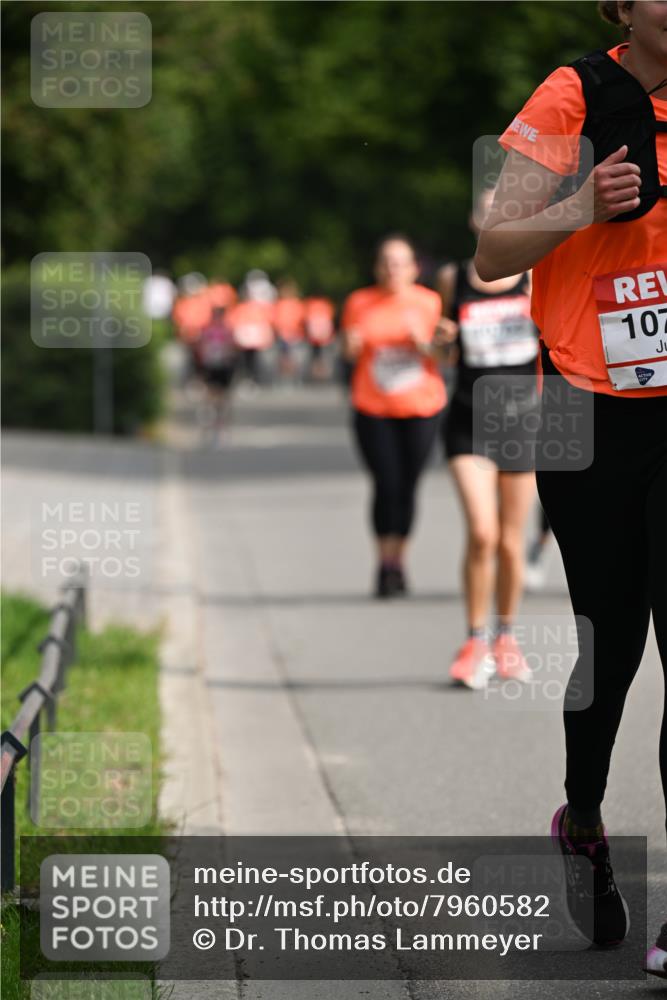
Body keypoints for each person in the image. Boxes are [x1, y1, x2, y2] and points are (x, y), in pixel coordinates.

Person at [475, 0, 666, 963]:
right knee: (610, 650)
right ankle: (584, 818)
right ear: (622, 8)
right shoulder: (571, 94)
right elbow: (490, 253)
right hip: (584, 413)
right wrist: (581, 206)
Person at [437, 190, 540, 690]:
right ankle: (474, 639)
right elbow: (446, 348)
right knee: (481, 532)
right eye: (488, 209)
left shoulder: (537, 274)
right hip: (468, 419)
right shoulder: (453, 277)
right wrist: (439, 342)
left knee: (509, 541)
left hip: (523, 418)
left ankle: (506, 638)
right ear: (474, 220)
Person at [341, 235, 445, 598]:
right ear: (376, 267)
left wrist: (425, 345)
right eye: (386, 261)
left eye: (400, 262)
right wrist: (350, 347)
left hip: (421, 407)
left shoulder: (430, 302)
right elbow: (349, 351)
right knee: (385, 484)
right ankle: (384, 564)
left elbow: (446, 355)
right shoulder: (360, 302)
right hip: (373, 407)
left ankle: (399, 558)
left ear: (415, 268)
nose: (393, 269)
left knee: (408, 486)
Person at [195, 305, 238, 443]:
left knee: (223, 396)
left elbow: (232, 348)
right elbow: (201, 348)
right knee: (211, 394)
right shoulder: (207, 330)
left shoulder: (227, 331)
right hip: (211, 366)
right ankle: (209, 422)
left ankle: (221, 424)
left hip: (223, 366)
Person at [272, 279, 306, 384]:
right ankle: (283, 378)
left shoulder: (297, 303)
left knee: (294, 358)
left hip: (295, 335)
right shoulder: (278, 304)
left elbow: (302, 318)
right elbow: (274, 319)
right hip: (282, 335)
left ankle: (295, 378)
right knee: (282, 358)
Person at [304, 295, 336, 381]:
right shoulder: (325, 304)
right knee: (323, 356)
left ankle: (315, 374)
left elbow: (307, 319)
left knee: (315, 356)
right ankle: (321, 375)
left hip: (315, 336)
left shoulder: (311, 304)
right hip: (323, 336)